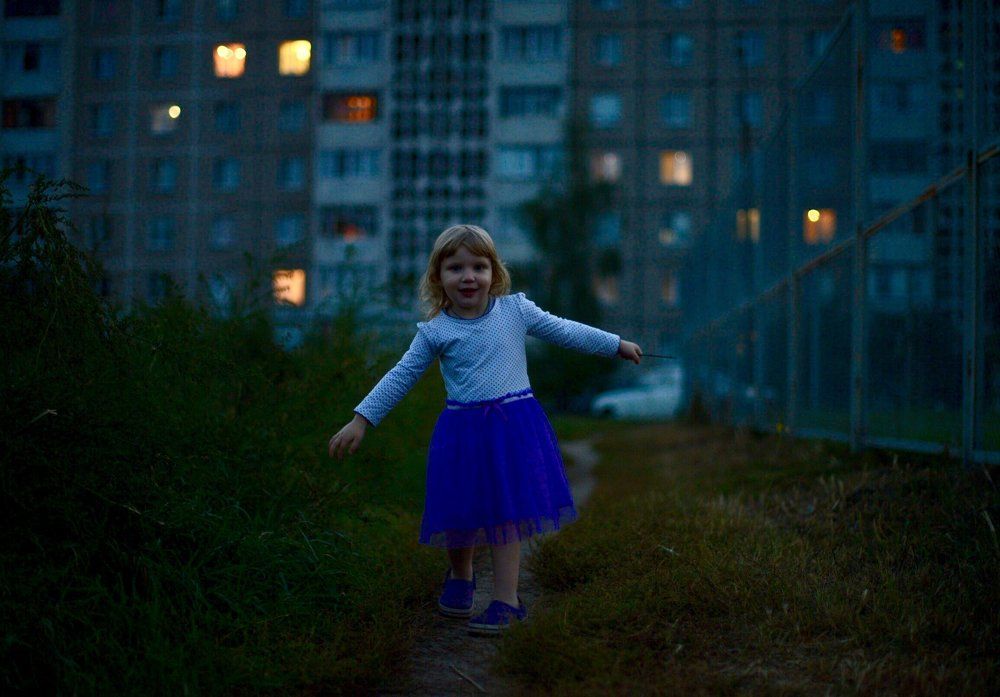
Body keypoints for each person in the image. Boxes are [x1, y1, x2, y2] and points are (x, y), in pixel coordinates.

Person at [328, 224, 642, 636]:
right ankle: (461, 575)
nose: (469, 276)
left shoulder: (515, 311)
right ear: (438, 277)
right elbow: (400, 375)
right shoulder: (436, 331)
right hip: (462, 434)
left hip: (512, 430)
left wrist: (614, 344)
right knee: (460, 510)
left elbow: (565, 330)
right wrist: (361, 419)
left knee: (505, 513)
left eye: (479, 266)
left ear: (494, 272)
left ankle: (506, 601)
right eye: (456, 268)